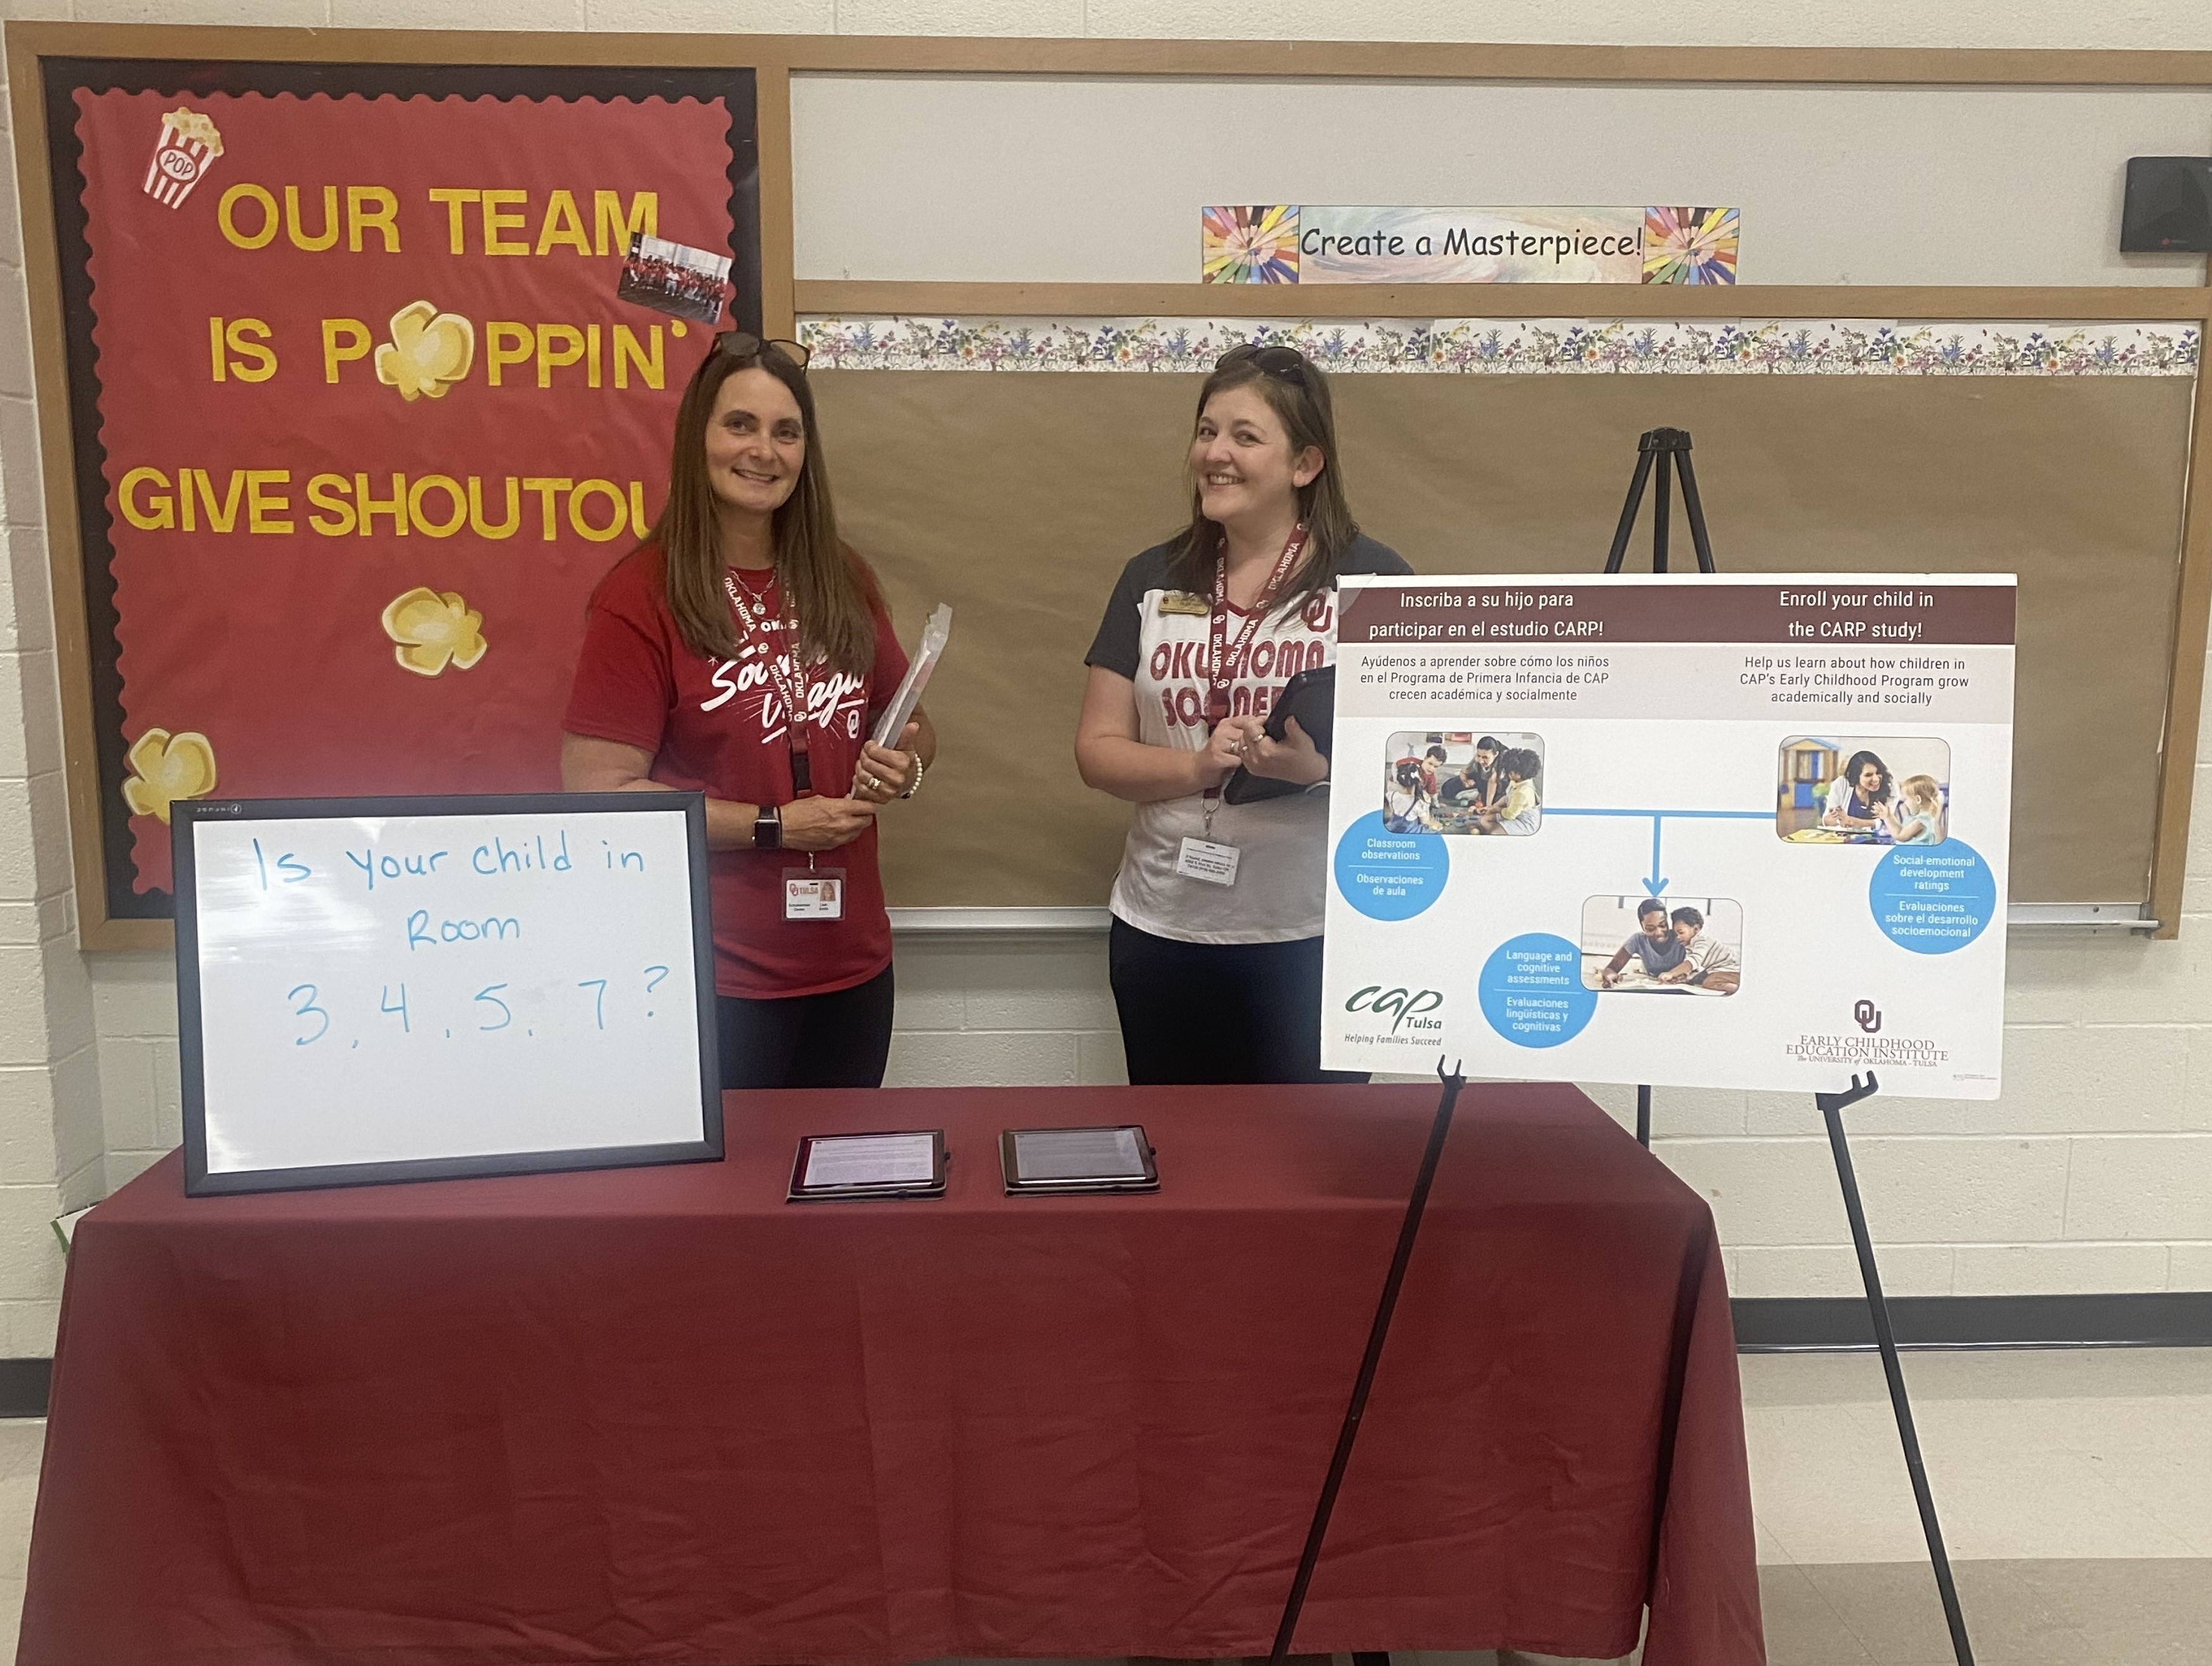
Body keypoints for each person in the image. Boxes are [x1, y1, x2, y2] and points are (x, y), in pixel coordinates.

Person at [561, 332, 938, 1090]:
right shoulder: (642, 594)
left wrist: (906, 764)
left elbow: (913, 721)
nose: (763, 450)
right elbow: (600, 793)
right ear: (698, 436)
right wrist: (772, 825)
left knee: (838, 1193)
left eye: (785, 431)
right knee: (727, 1205)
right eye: (740, 424)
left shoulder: (841, 576)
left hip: (854, 965)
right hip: (715, 976)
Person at [1075, 342, 1411, 1084]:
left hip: (1315, 935)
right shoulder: (1152, 578)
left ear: (1305, 464)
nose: (1214, 454)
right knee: (1186, 1172)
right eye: (1206, 431)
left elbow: (1423, 769)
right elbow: (1097, 750)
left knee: (1310, 1174)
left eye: (1244, 436)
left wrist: (1318, 773)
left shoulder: (1373, 581)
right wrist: (1195, 765)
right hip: (1163, 928)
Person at [1596, 898, 1684, 988]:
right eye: (1650, 929)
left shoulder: (1681, 937)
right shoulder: (1638, 940)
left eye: (1663, 925)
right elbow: (1611, 969)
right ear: (1642, 927)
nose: (1659, 932)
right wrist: (1610, 977)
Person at [1659, 905, 1741, 994]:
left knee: (1709, 983)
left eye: (1681, 932)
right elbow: (1695, 968)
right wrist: (1684, 976)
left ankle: (1738, 990)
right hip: (1719, 970)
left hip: (1733, 970)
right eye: (1676, 934)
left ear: (1696, 929)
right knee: (1697, 979)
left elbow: (1692, 962)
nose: (1678, 937)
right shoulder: (1690, 945)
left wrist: (1671, 973)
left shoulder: (1702, 941)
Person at [1821, 749, 1893, 832]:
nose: (1876, 779)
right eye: (1868, 775)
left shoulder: (1890, 785)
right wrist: (1837, 818)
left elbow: (1891, 823)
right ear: (1856, 776)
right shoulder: (1841, 784)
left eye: (1878, 773)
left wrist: (1852, 821)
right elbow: (1826, 821)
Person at [1479, 747, 1542, 836]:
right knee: (1484, 820)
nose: (1509, 775)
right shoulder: (1517, 781)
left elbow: (1510, 815)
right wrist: (1493, 807)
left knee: (1494, 833)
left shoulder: (1523, 792)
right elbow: (1507, 797)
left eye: (1511, 772)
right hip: (1513, 812)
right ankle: (1498, 830)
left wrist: (1496, 809)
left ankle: (1499, 833)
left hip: (1525, 821)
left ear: (1521, 773)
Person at [1883, 773, 1945, 844]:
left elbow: (1900, 836)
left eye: (1906, 799)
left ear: (1918, 799)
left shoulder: (1921, 821)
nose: (1905, 803)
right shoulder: (1926, 818)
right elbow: (1901, 830)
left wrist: (1887, 818)